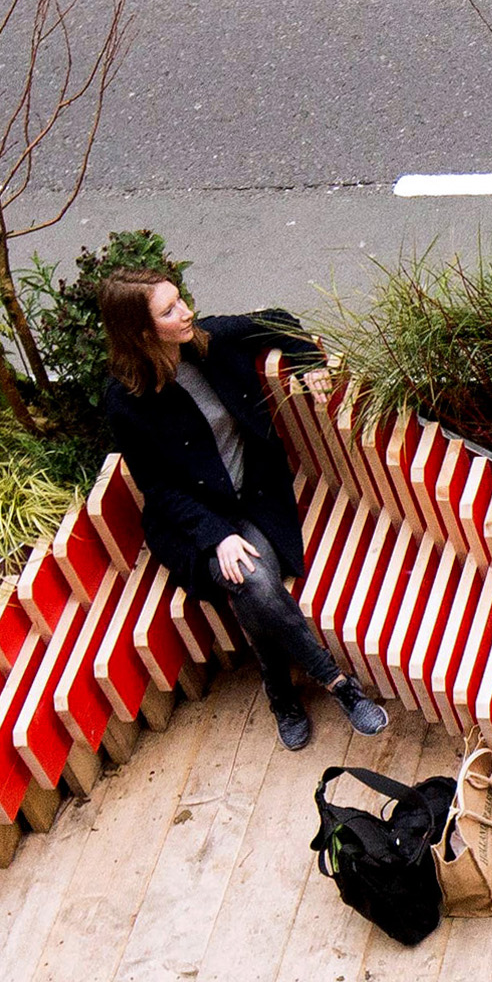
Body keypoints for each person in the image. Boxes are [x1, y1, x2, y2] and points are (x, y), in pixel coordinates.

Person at [98, 269, 390, 754]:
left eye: (180, 299)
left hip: (252, 498)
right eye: (169, 310)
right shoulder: (126, 402)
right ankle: (338, 683)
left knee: (251, 587)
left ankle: (281, 695)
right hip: (196, 523)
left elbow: (280, 321)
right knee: (249, 580)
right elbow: (160, 489)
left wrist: (308, 359)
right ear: (142, 332)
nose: (186, 311)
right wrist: (216, 536)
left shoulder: (212, 340)